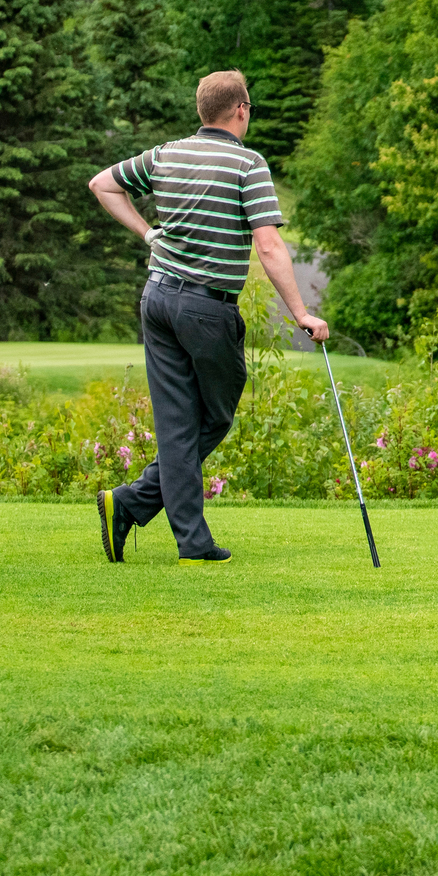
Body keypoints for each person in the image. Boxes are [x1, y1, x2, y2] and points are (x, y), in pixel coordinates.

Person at [86, 69, 328, 565]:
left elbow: (102, 185)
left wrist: (147, 235)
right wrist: (301, 312)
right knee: (214, 416)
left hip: (157, 299)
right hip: (205, 308)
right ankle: (151, 515)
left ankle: (143, 512)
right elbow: (268, 244)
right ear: (240, 109)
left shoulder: (165, 154)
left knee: (177, 423)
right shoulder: (248, 164)